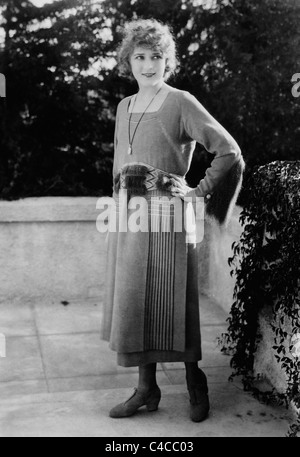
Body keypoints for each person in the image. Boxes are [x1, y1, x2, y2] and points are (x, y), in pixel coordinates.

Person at [102, 18, 245, 422]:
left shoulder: (180, 101)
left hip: (169, 218)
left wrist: (198, 193)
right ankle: (146, 389)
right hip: (131, 218)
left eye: (157, 57)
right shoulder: (123, 107)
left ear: (169, 61)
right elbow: (119, 166)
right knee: (135, 301)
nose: (148, 65)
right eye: (140, 57)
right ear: (127, 61)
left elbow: (228, 151)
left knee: (173, 301)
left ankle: (194, 378)